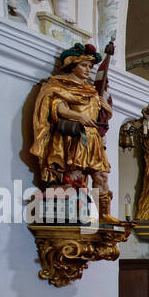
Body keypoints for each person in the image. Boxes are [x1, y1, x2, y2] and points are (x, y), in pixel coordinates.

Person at [29, 43, 117, 222]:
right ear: (72, 64)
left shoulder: (91, 90)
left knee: (102, 175)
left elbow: (97, 115)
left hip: (92, 137)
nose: (88, 70)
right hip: (73, 137)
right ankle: (72, 210)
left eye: (90, 67)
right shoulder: (59, 85)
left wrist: (108, 111)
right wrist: (78, 116)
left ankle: (103, 213)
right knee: (73, 175)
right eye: (84, 65)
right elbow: (57, 108)